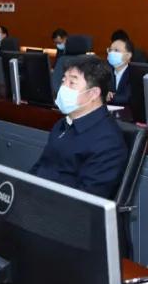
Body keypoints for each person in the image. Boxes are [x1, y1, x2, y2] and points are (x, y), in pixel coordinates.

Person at [30, 55, 128, 199]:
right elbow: (41, 167)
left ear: (93, 93)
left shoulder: (108, 142)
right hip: (36, 199)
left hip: (61, 207)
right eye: (64, 80)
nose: (63, 88)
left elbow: (86, 200)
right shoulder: (63, 124)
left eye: (72, 83)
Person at [107, 37, 134, 106]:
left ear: (128, 55)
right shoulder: (105, 71)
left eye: (116, 50)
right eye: (110, 50)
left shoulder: (134, 74)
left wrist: (110, 97)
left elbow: (128, 98)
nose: (111, 53)